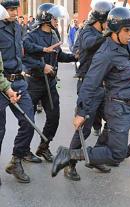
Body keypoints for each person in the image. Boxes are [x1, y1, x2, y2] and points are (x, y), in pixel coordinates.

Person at [51, 7, 130, 206]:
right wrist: (81, 112)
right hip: (118, 109)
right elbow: (90, 83)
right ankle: (69, 154)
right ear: (115, 30)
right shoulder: (105, 53)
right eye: (126, 30)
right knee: (116, 155)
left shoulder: (129, 42)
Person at [65, 0, 114, 181]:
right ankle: (69, 164)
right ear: (99, 20)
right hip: (89, 87)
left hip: (104, 87)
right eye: (107, 21)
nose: (109, 25)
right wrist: (106, 34)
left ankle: (94, 157)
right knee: (84, 129)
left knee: (112, 122)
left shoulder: (104, 33)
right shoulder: (87, 32)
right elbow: (89, 44)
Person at [22, 3, 77, 163]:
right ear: (46, 19)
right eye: (54, 18)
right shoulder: (31, 36)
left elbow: (58, 55)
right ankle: (24, 151)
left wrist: (75, 57)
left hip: (50, 84)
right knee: (28, 120)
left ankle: (44, 147)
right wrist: (41, 66)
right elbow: (24, 57)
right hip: (34, 83)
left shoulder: (54, 34)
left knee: (54, 117)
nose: (57, 21)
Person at [0, 0, 37, 183]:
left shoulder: (17, 26)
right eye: (10, 9)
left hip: (18, 81)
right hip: (0, 83)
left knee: (29, 121)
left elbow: (20, 52)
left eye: (16, 9)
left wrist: (24, 68)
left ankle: (16, 160)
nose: (14, 12)